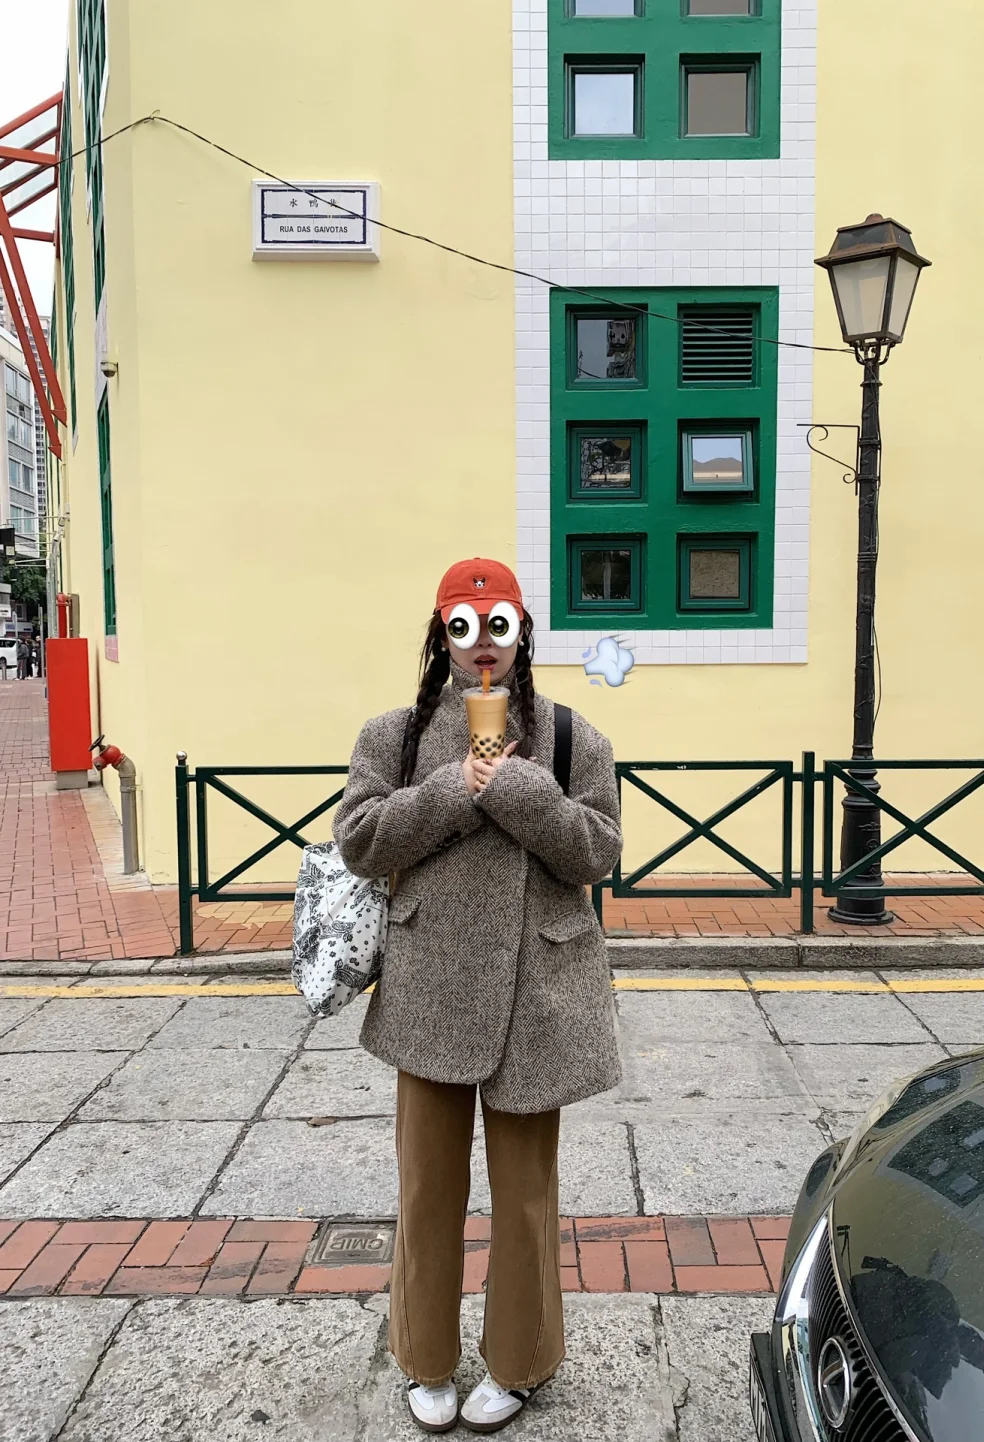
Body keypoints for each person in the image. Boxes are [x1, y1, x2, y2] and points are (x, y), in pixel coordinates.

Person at [333, 557, 621, 1435]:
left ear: (522, 633)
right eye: (465, 627)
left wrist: (520, 787)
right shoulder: (393, 735)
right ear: (443, 636)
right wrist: (453, 788)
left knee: (526, 1198)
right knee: (426, 1190)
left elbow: (598, 852)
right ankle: (424, 1357)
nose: (483, 646)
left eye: (499, 627)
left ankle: (520, 1361)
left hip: (538, 991)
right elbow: (360, 841)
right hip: (429, 990)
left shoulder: (572, 737)